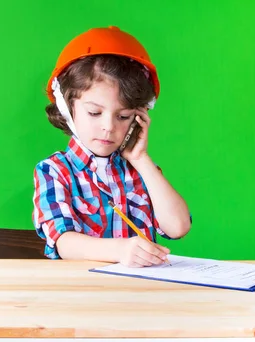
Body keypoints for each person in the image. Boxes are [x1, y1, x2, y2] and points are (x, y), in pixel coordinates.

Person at [33, 26, 191, 267]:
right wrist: (121, 250)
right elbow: (64, 242)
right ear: (67, 107)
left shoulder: (140, 170)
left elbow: (178, 226)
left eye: (123, 116)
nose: (108, 127)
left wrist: (140, 159)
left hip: (139, 297)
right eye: (94, 112)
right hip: (82, 297)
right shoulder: (54, 170)